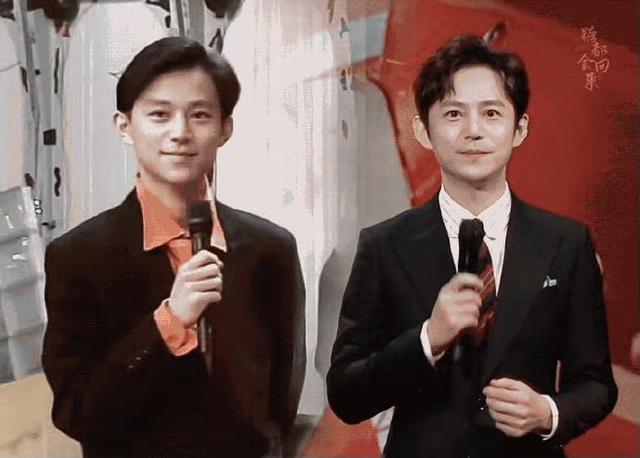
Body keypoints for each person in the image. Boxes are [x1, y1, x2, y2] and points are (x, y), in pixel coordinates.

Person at [327, 34, 617, 458]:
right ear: (423, 130)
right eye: (453, 114)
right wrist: (429, 338)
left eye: (492, 113)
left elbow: (596, 383)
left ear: (520, 129)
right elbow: (346, 394)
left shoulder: (566, 243)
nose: (474, 131)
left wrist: (548, 412)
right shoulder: (384, 245)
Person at [42, 36, 306, 458]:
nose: (180, 133)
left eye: (199, 115)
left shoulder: (270, 249)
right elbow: (77, 412)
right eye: (159, 115)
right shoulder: (78, 257)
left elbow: (280, 399)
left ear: (225, 129)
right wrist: (169, 322)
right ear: (125, 126)